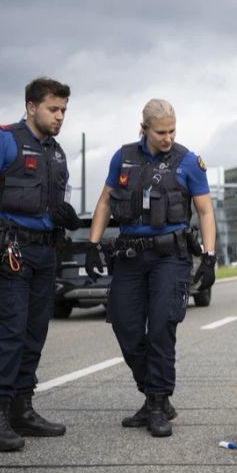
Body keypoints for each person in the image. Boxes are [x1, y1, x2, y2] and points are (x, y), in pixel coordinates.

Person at [0, 77, 81, 452]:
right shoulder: (1, 139)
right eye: (53, 109)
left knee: (34, 334)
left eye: (63, 110)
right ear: (31, 106)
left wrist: (65, 218)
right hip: (10, 252)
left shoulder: (57, 153)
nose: (59, 116)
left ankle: (21, 409)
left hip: (45, 254)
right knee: (11, 334)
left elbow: (51, 204)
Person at [86, 98, 216, 438]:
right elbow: (104, 201)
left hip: (170, 258)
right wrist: (92, 243)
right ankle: (153, 393)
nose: (168, 137)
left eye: (173, 130)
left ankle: (157, 403)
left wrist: (210, 256)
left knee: (161, 328)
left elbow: (204, 211)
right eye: (161, 132)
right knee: (125, 327)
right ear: (144, 129)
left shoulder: (188, 161)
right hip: (130, 256)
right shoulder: (123, 157)